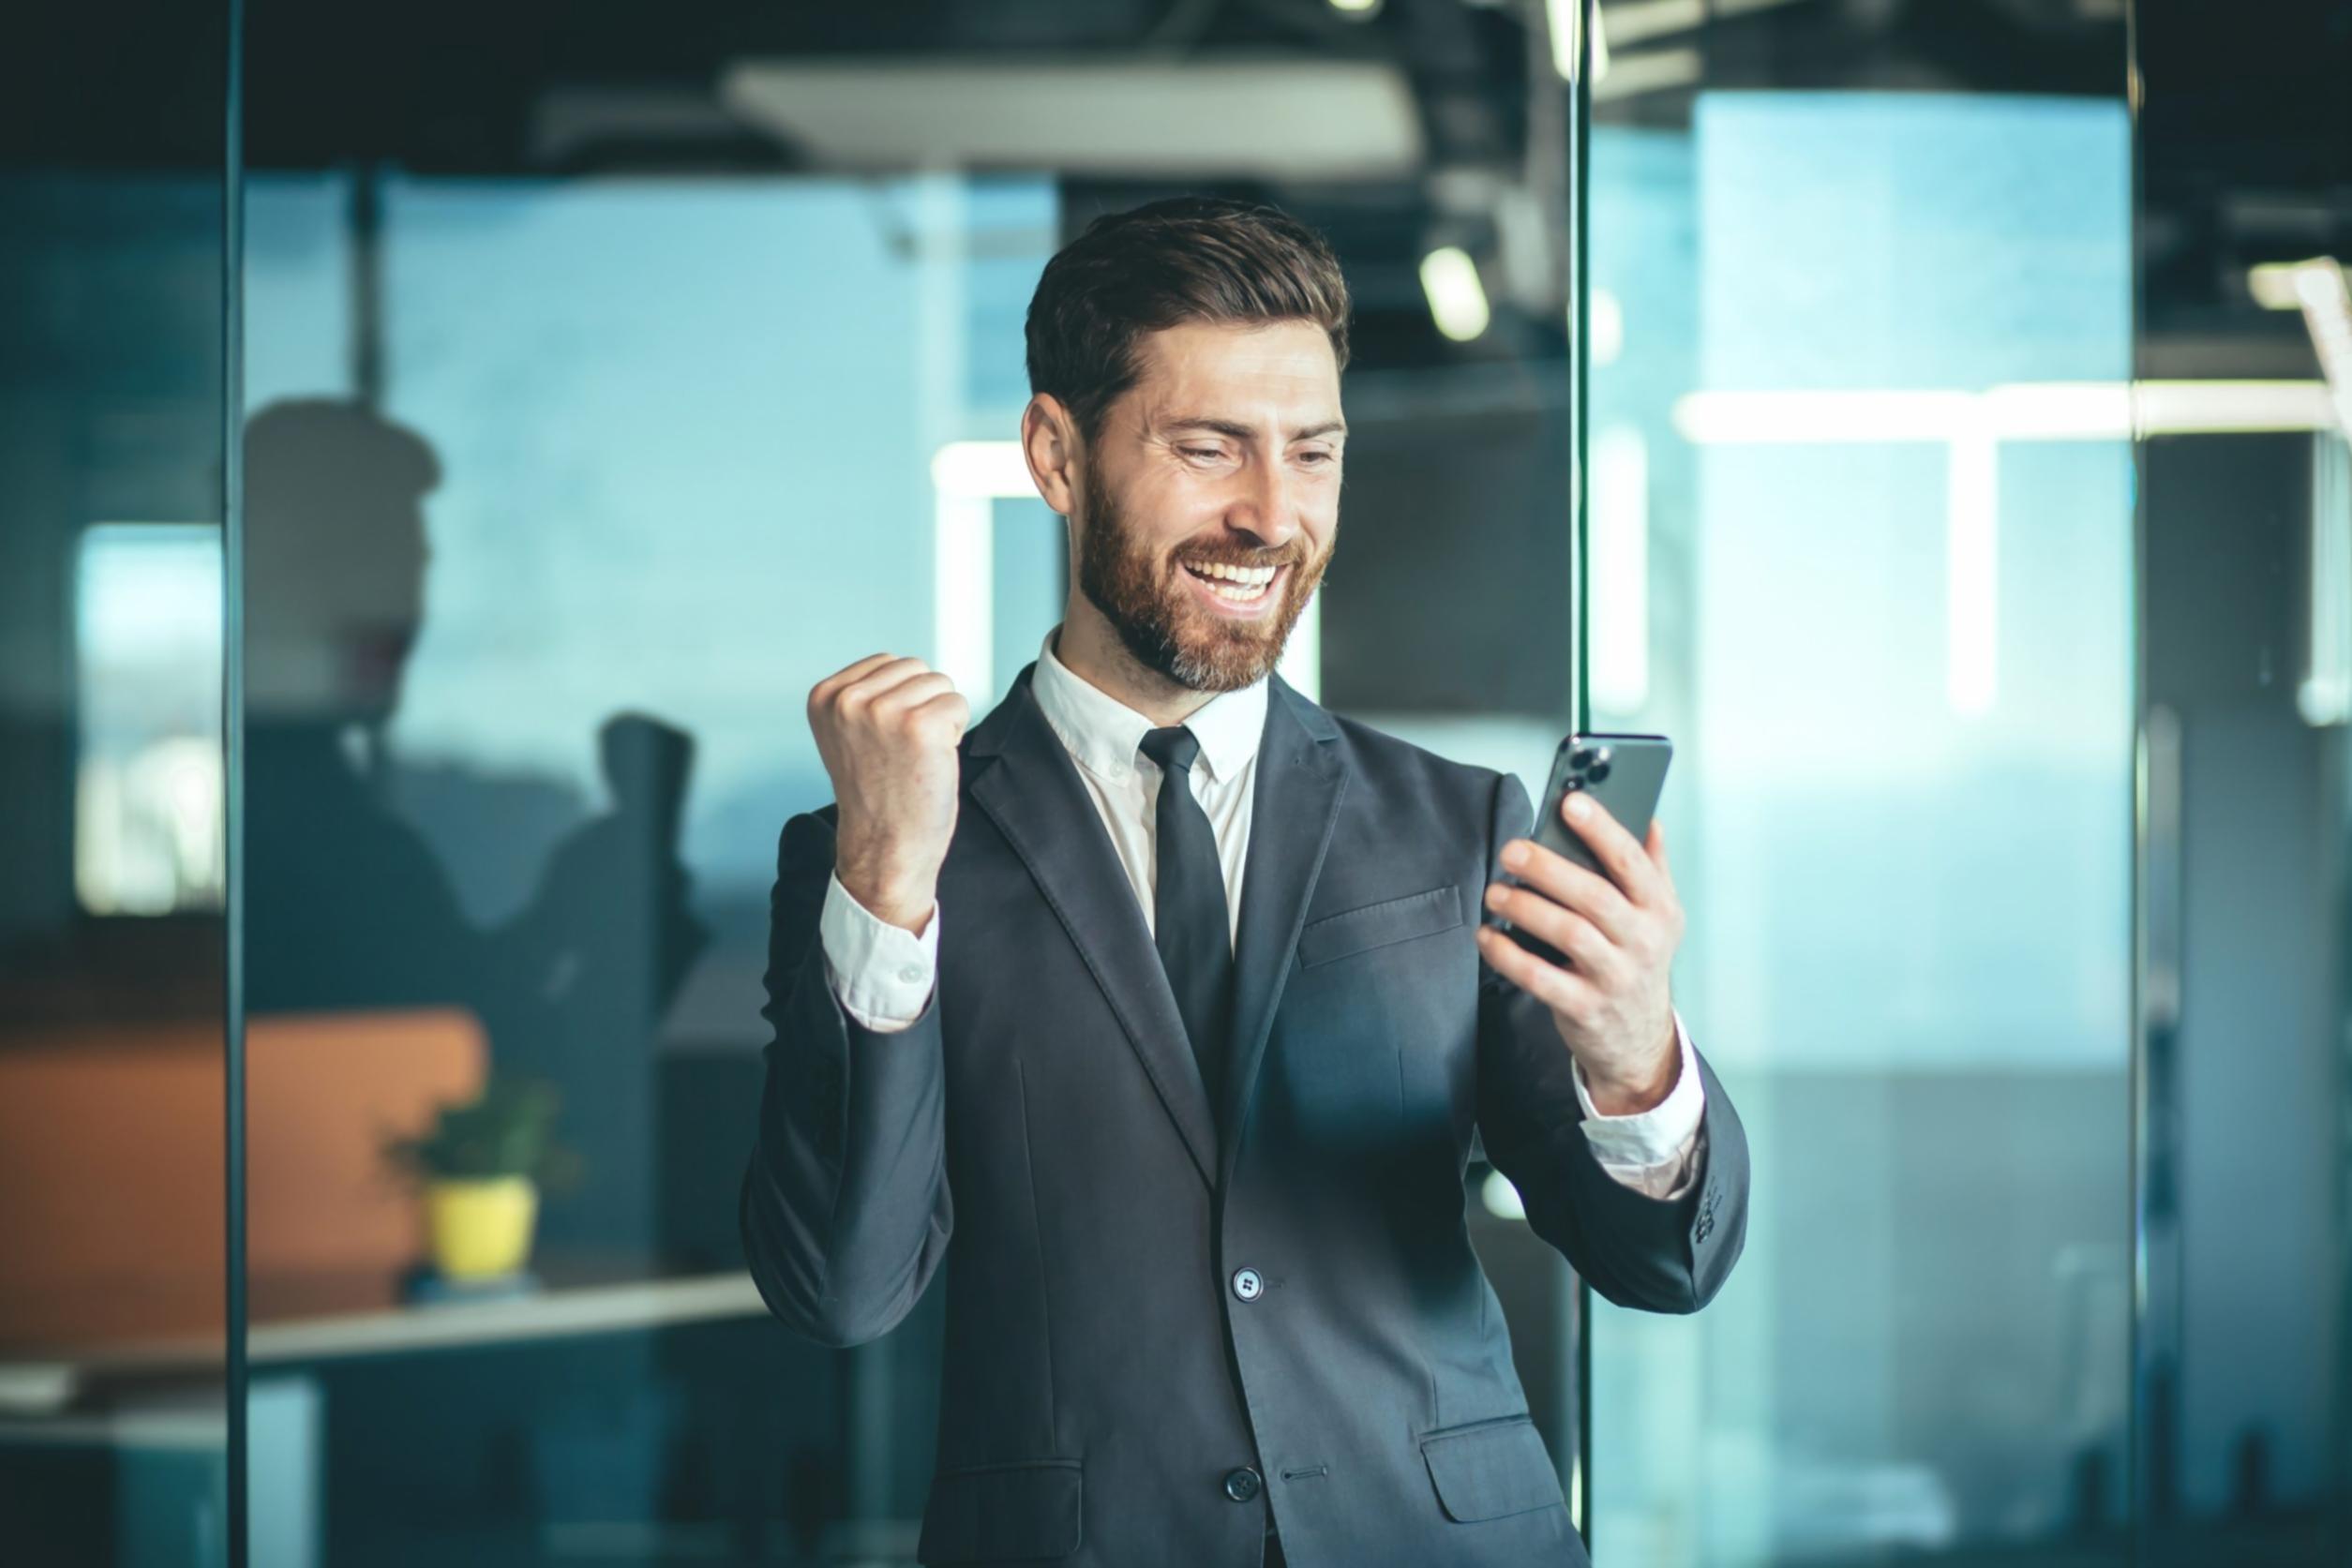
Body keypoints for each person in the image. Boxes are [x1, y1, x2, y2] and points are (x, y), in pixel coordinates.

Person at [742, 196, 1747, 1568]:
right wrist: (887, 888)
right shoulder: (880, 848)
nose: (1270, 514)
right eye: (1208, 446)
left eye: (1312, 453)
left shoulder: (1456, 826)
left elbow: (1659, 1264)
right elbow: (839, 1290)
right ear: (1054, 452)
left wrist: (1636, 1065)